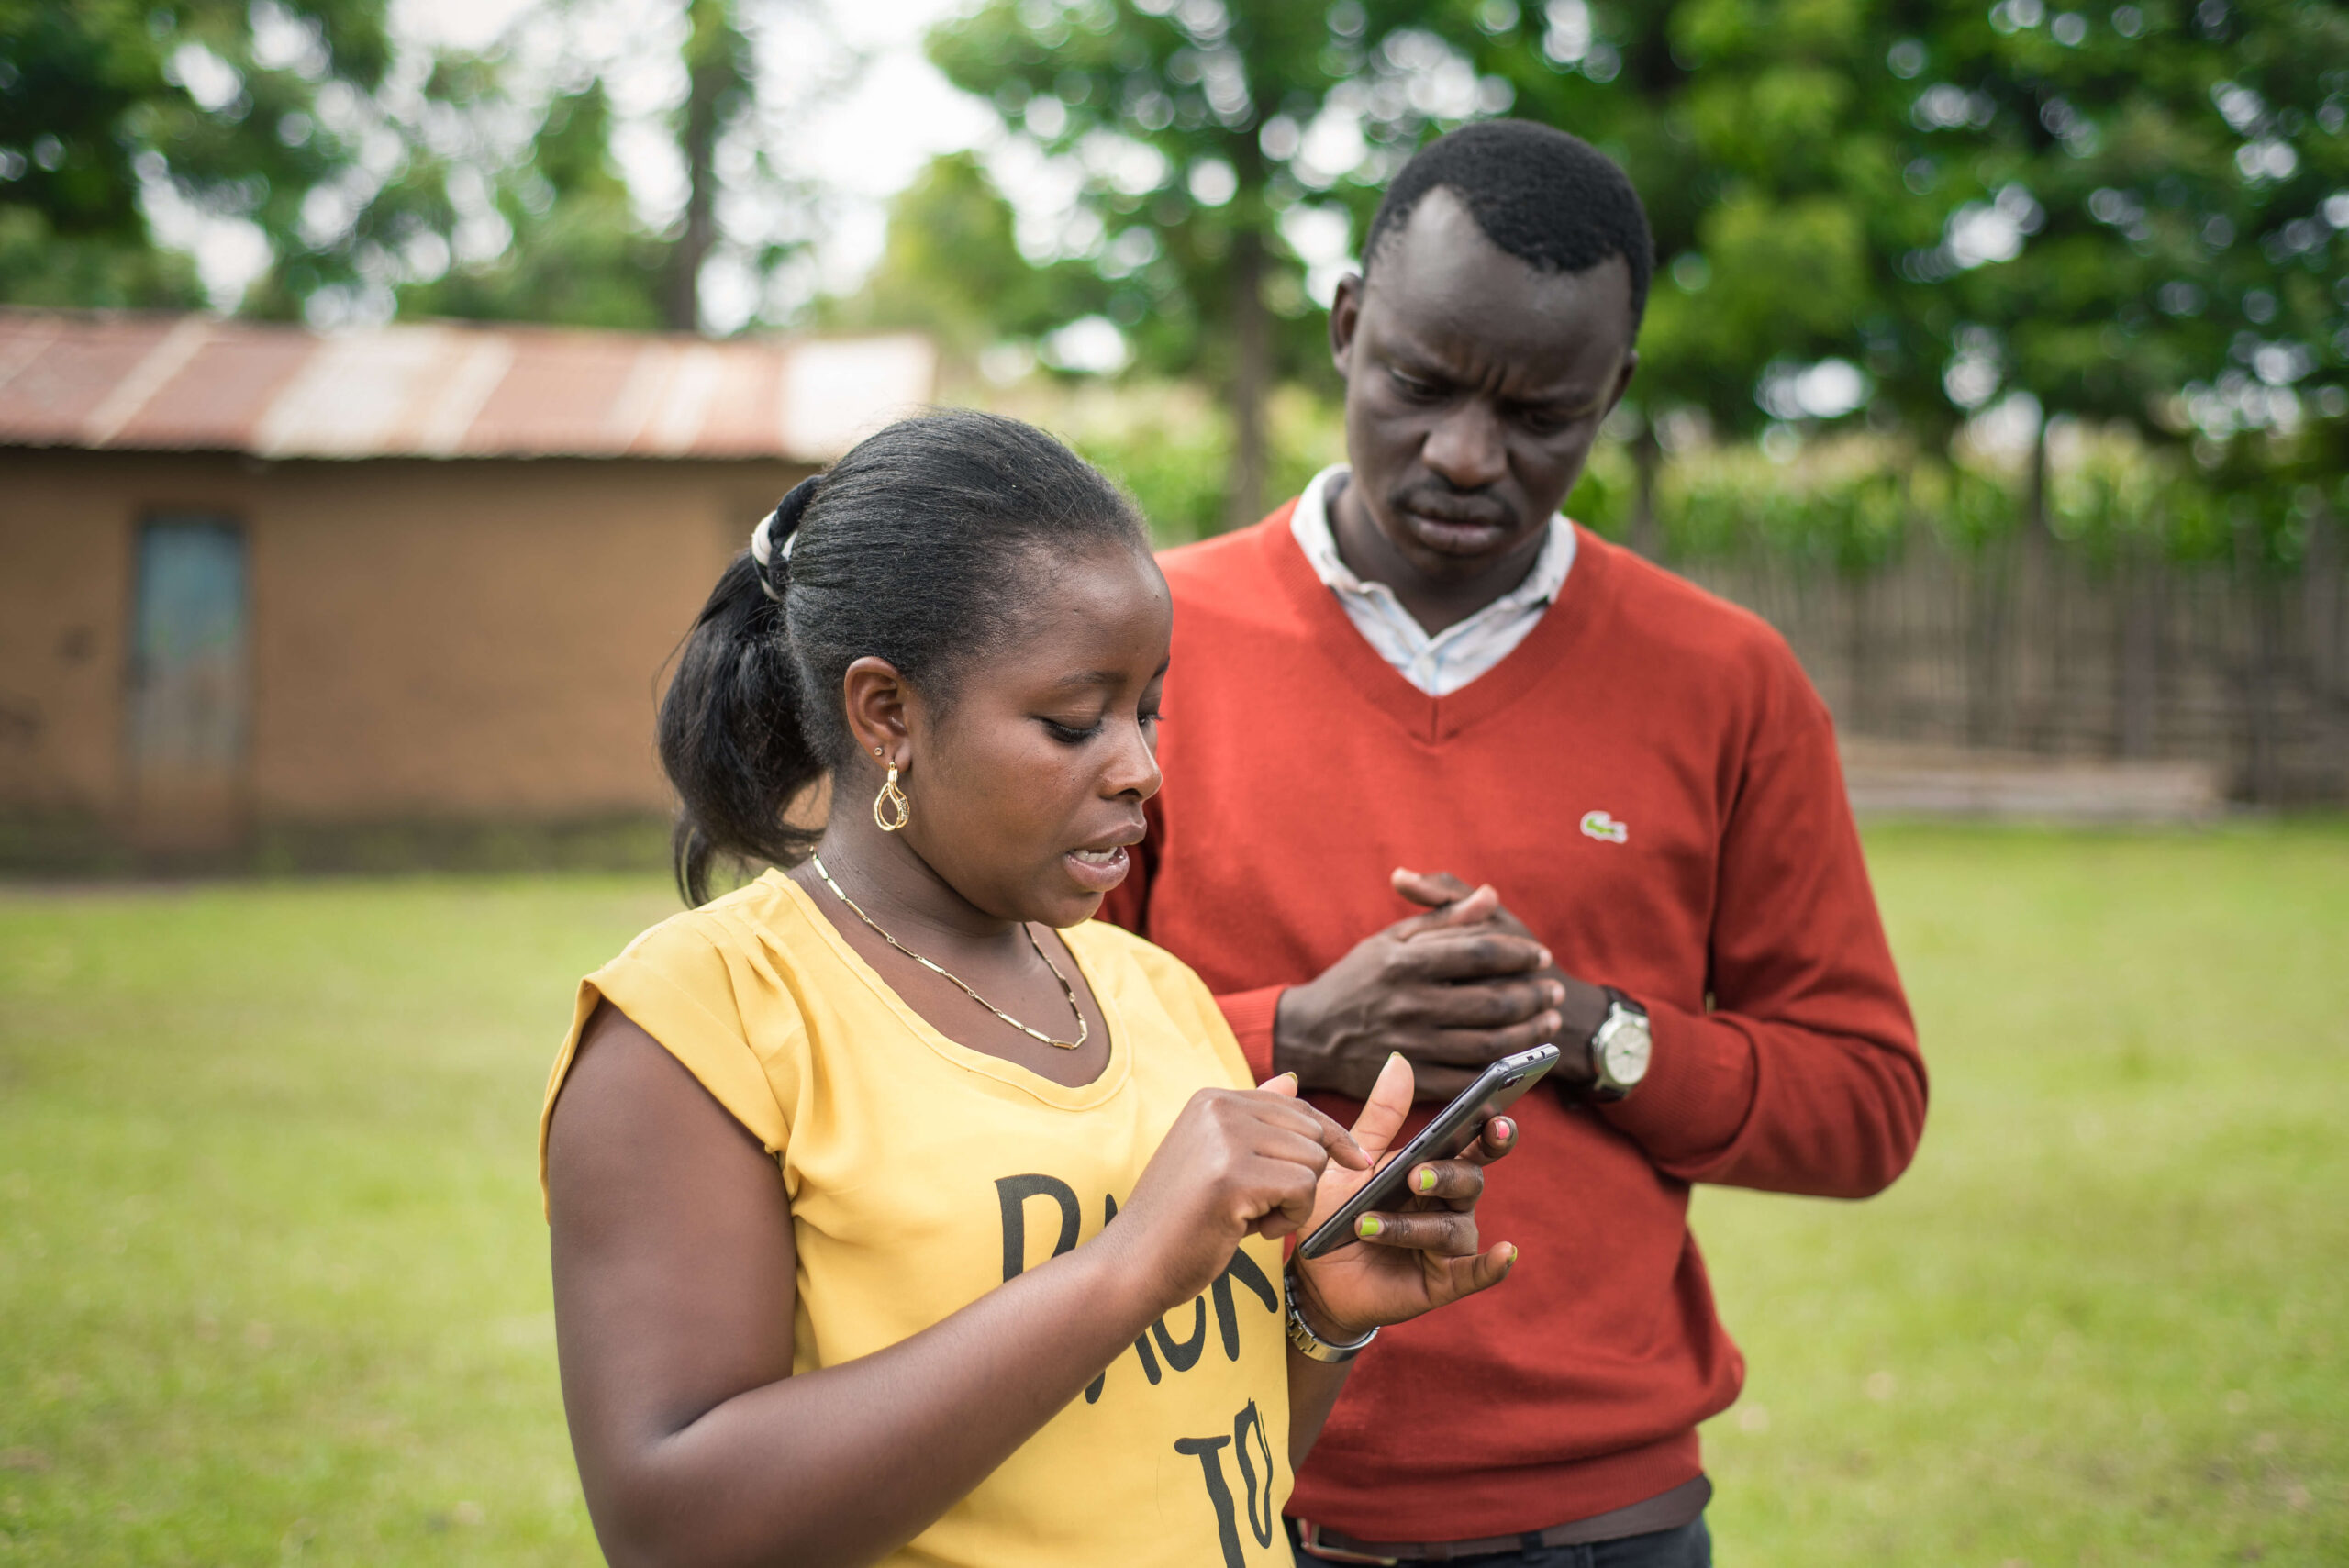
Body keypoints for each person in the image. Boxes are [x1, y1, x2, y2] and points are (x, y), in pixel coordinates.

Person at [1099, 120, 1928, 1564]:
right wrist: (1300, 1027)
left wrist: (1592, 1027)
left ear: (1615, 390)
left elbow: (1866, 1104)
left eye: (1542, 411)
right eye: (1419, 383)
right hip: (1199, 1482)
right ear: (1349, 327)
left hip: (1596, 1518)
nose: (1466, 454)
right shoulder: (1146, 647)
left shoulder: (1725, 682)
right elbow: (1006, 1057)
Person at [537, 409, 1523, 1568]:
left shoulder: (1155, 993)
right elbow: (671, 1527)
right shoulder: (702, 1024)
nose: (1142, 768)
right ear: (887, 713)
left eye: (1148, 707)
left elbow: (1201, 1466)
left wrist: (1317, 1318)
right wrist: (1123, 1267)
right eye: (1072, 722)